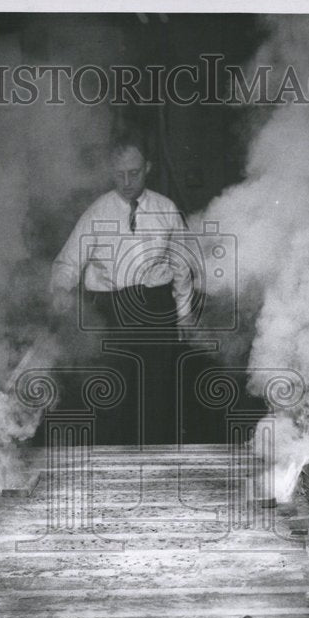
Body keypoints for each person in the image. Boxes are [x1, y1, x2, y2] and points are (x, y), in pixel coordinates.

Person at [50, 131, 193, 444]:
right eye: (119, 175)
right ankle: (110, 475)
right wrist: (60, 294)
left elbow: (182, 265)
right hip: (110, 313)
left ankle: (159, 469)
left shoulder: (166, 209)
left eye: (134, 173)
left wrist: (184, 313)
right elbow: (68, 262)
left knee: (157, 395)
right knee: (112, 395)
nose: (127, 182)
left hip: (156, 308)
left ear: (148, 168)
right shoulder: (98, 212)